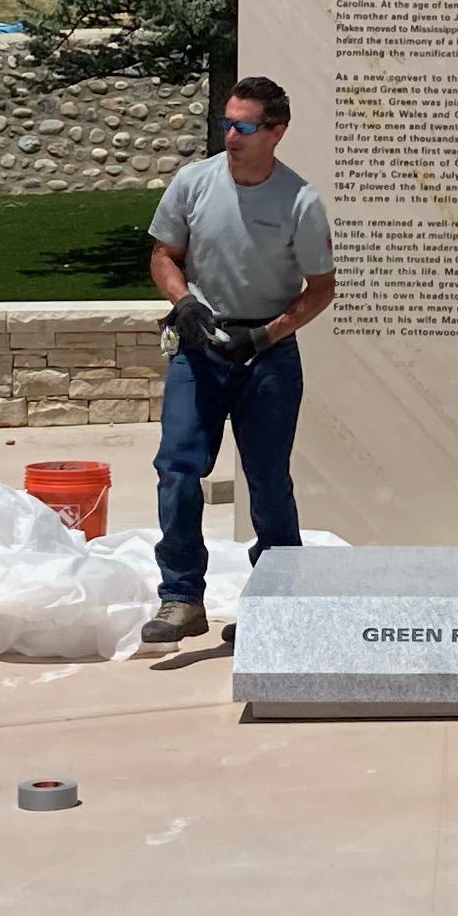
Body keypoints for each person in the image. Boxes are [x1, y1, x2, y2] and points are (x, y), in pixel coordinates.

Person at [138, 77, 336, 646]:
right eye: (227, 123)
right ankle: (181, 597)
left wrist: (267, 335)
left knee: (267, 481)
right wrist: (183, 302)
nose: (230, 136)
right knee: (177, 469)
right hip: (199, 347)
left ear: (276, 132)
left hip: (268, 356)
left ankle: (278, 601)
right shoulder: (193, 182)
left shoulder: (300, 201)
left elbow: (321, 288)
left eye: (244, 126)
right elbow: (163, 254)